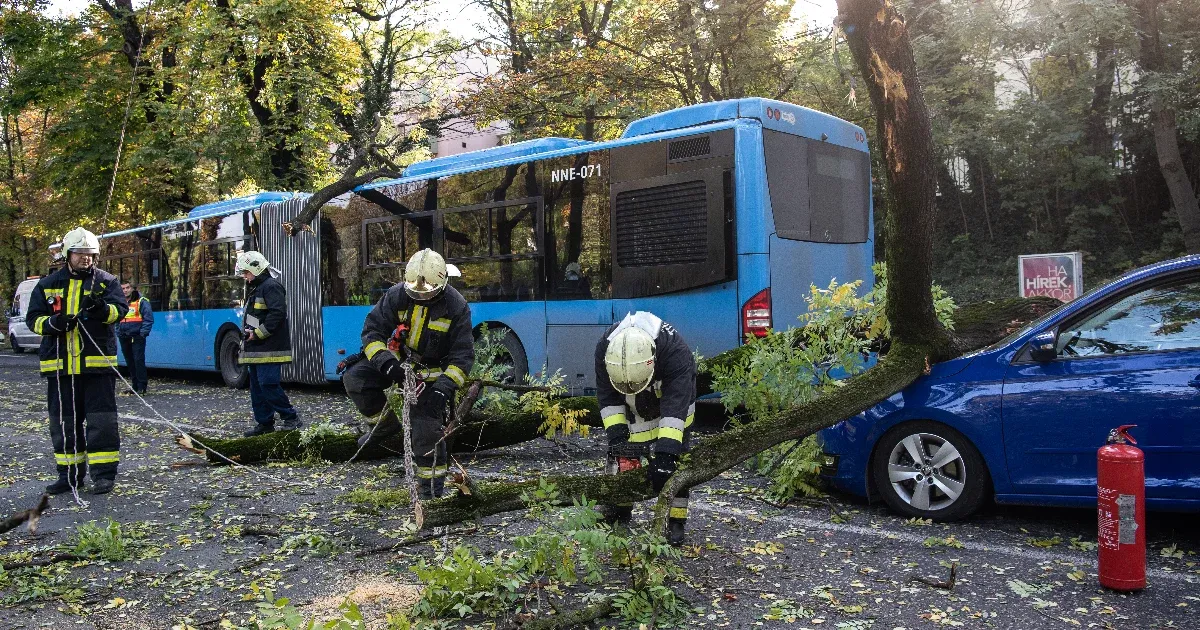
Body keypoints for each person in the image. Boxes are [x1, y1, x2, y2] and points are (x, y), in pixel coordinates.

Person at [343, 248, 474, 500]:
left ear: (442, 283)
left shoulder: (456, 306)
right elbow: (372, 333)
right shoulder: (397, 295)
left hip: (432, 376)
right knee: (356, 379)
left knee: (425, 433)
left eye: (428, 294)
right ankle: (385, 426)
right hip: (400, 363)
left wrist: (442, 389)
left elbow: (463, 357)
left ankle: (430, 495)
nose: (421, 298)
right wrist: (387, 364)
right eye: (415, 293)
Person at [26, 227, 128, 495]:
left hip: (96, 367)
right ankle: (68, 476)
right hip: (59, 368)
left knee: (102, 424)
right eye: (80, 254)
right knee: (64, 425)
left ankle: (103, 476)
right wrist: (52, 323)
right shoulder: (47, 284)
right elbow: (33, 319)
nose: (86, 259)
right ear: (67, 254)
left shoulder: (106, 282)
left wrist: (102, 309)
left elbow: (120, 312)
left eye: (91, 254)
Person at [595, 311, 697, 546]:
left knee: (677, 463)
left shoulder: (676, 353)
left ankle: (676, 521)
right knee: (622, 461)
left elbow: (675, 405)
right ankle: (618, 510)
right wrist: (617, 436)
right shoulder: (605, 349)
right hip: (634, 411)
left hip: (673, 409)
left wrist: (666, 454)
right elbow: (608, 397)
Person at [236, 251, 301, 436]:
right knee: (257, 388)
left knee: (268, 385)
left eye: (246, 273)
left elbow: (277, 315)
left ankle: (291, 418)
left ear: (256, 269)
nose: (245, 277)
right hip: (256, 348)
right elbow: (258, 316)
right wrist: (249, 333)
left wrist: (256, 334)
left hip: (270, 348)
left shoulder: (271, 286)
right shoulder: (258, 288)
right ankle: (264, 423)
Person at [117, 281, 154, 396]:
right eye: (122, 288)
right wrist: (118, 332)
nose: (125, 290)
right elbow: (117, 319)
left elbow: (148, 319)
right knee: (130, 362)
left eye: (127, 287)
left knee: (138, 360)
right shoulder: (119, 302)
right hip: (124, 336)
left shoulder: (141, 301)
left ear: (132, 289)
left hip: (137, 336)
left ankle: (142, 387)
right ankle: (134, 386)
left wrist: (142, 334)